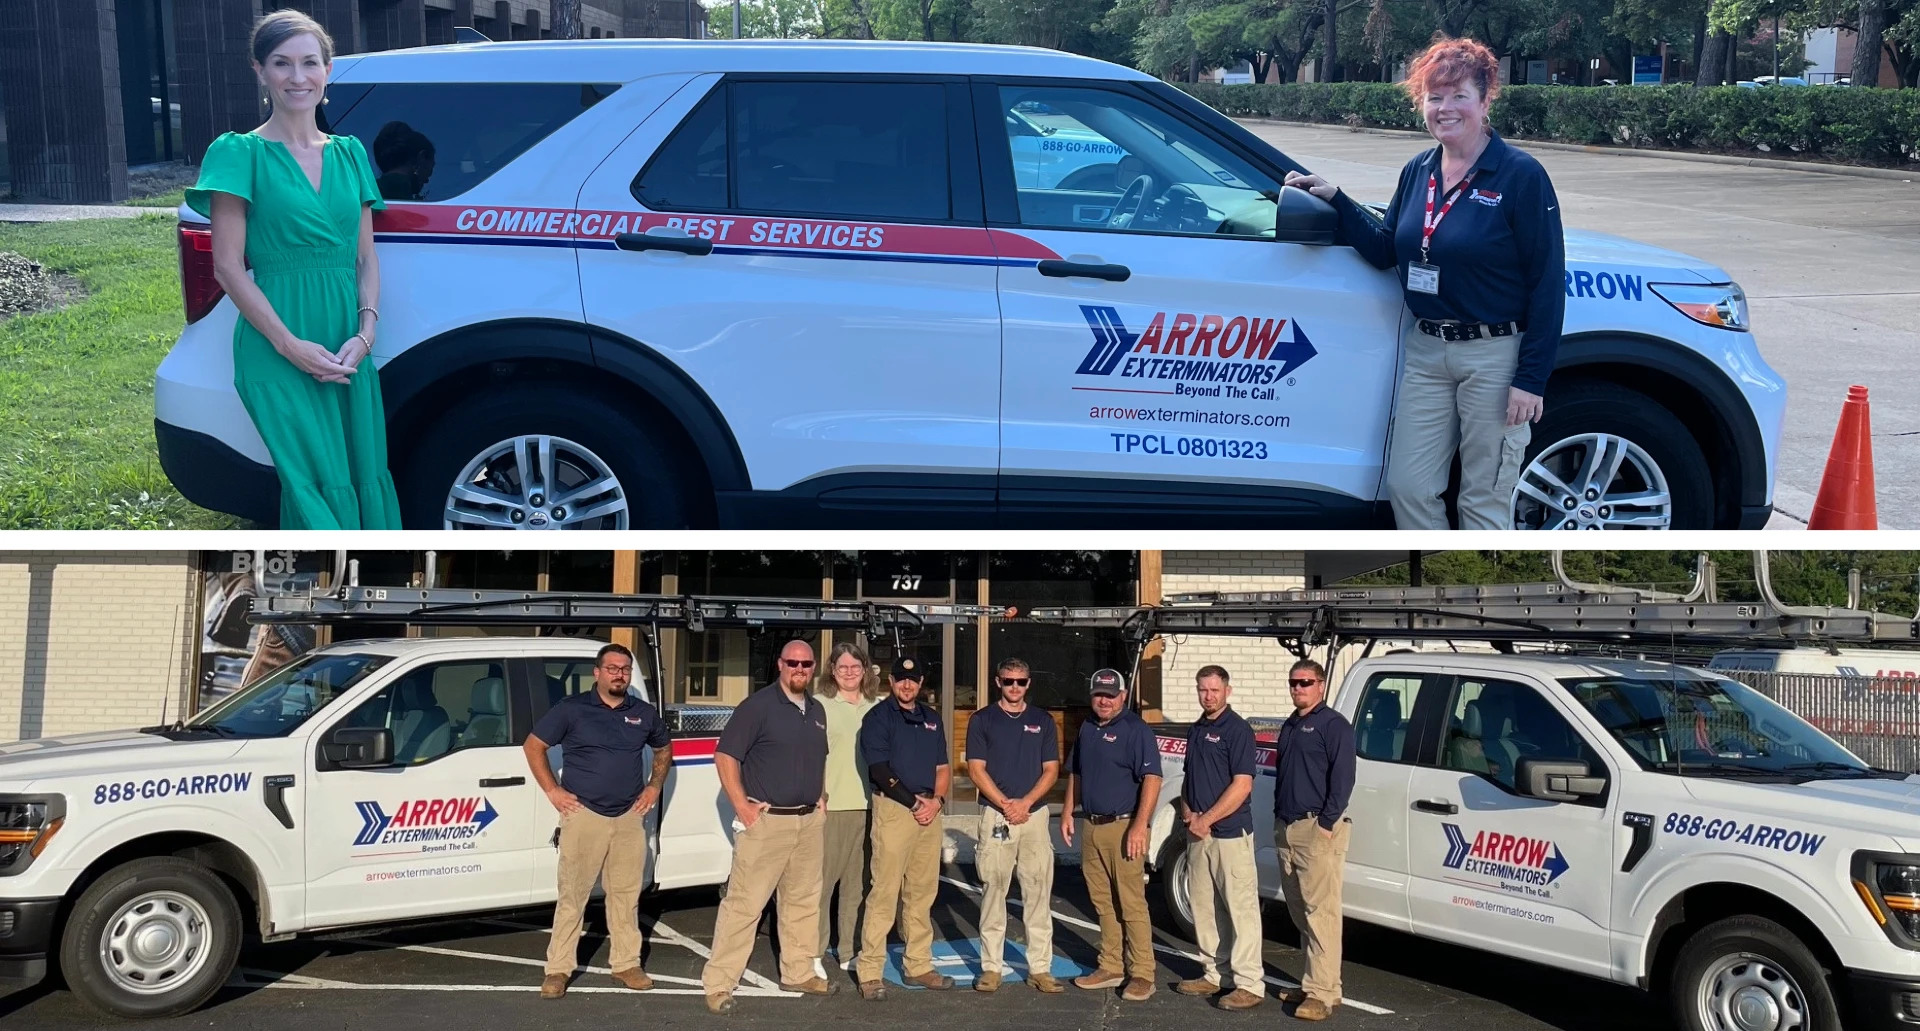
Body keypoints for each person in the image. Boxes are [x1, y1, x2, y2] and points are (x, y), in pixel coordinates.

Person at [1283, 35, 1565, 531]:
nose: (1446, 108)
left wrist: (1530, 379)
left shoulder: (1520, 175)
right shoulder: (1419, 170)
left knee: (1484, 497)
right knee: (1410, 487)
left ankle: (1477, 589)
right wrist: (1337, 201)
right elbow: (1387, 248)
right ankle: (1433, 567)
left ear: (1485, 99)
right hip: (1429, 351)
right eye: (1435, 97)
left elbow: (1547, 282)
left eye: (1459, 95)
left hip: (1494, 354)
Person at [184, 10, 402, 529]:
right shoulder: (239, 153)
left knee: (359, 475)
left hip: (346, 345)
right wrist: (291, 347)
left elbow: (365, 256)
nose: (297, 77)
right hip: (276, 348)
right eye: (282, 63)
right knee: (310, 487)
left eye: (309, 62)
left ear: (327, 71)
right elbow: (228, 267)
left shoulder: (349, 155)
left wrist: (367, 332)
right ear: (260, 70)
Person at [523, 643, 670, 999]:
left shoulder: (643, 713)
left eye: (624, 669)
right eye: (612, 668)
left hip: (627, 818)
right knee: (573, 896)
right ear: (598, 672)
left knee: (625, 895)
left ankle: (626, 964)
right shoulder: (572, 710)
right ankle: (558, 970)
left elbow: (664, 749)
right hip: (584, 814)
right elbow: (533, 746)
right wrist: (553, 792)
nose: (619, 674)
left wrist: (654, 787)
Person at [701, 640, 835, 1013]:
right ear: (780, 664)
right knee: (744, 906)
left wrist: (821, 796)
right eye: (793, 662)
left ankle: (797, 972)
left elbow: (817, 758)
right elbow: (725, 756)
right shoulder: (757, 707)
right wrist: (741, 805)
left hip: (807, 822)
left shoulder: (817, 709)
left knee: (803, 903)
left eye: (806, 664)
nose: (800, 669)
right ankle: (719, 983)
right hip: (768, 823)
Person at [854, 656, 953, 1000]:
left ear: (921, 682)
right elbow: (880, 769)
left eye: (912, 680)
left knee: (922, 894)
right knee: (884, 892)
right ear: (891, 682)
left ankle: (919, 965)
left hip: (930, 810)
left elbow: (943, 766)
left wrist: (937, 802)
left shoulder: (932, 719)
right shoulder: (878, 718)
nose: (906, 685)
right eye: (900, 680)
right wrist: (914, 804)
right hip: (896, 810)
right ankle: (870, 972)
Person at [1062, 668, 1162, 1002]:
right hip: (1092, 825)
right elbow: (1077, 772)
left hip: (1123, 827)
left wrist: (1139, 825)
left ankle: (1143, 972)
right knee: (1102, 902)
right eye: (1098, 694)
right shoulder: (1088, 727)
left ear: (1122, 695)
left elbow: (1152, 779)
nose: (1104, 700)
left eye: (1110, 694)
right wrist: (1067, 811)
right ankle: (1111, 965)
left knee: (1131, 902)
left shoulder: (1136, 730)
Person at [965, 657, 1062, 994]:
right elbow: (976, 769)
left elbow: (1051, 769)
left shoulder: (1043, 721)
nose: (1015, 688)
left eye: (1021, 682)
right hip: (996, 815)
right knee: (994, 889)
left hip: (1034, 816)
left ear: (1029, 684)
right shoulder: (982, 720)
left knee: (1038, 892)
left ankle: (1040, 968)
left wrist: (1025, 804)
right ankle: (991, 967)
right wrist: (1006, 804)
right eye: (1009, 681)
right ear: (998, 682)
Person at [1174, 665, 1263, 1010]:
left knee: (1240, 910)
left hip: (1228, 834)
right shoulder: (1196, 729)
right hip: (1198, 833)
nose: (1208, 696)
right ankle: (1215, 973)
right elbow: (1188, 778)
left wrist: (1207, 819)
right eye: (1202, 690)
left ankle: (1249, 983)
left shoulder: (1238, 730)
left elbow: (1242, 785)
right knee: (1205, 908)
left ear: (1227, 691)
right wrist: (1187, 813)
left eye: (1214, 690)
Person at [1272, 660, 1356, 1023]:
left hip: (1316, 830)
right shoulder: (1291, 724)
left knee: (1322, 914)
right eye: (1293, 683)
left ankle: (1321, 994)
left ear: (1320, 685)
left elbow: (1344, 778)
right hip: (1287, 828)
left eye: (1305, 682)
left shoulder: (1333, 725)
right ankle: (1320, 984)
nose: (1298, 689)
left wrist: (1325, 824)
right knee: (1301, 912)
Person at [818, 641, 882, 975]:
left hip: (872, 805)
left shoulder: (878, 705)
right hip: (834, 806)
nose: (849, 673)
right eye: (842, 667)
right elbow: (812, 756)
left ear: (865, 670)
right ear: (832, 669)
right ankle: (813, 953)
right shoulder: (820, 705)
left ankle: (848, 950)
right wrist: (818, 794)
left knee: (857, 886)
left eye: (855, 667)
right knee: (824, 884)